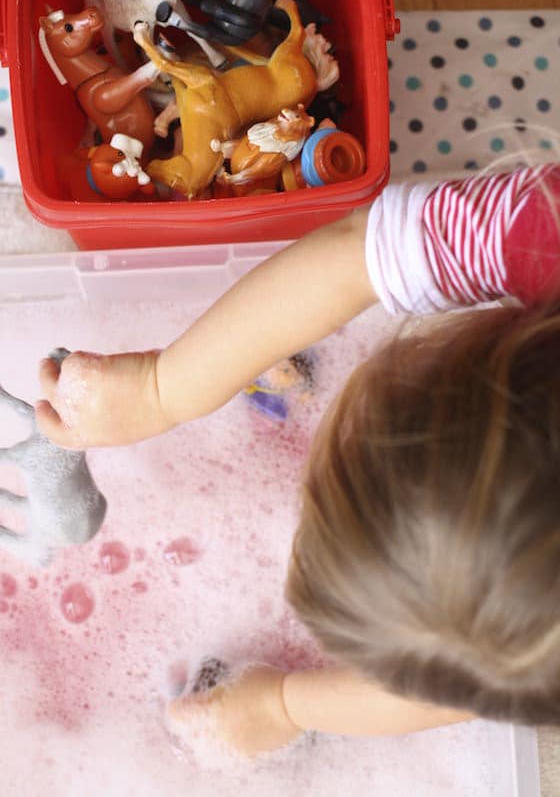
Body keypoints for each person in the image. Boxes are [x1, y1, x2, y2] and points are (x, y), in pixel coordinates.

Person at [36, 163, 560, 755]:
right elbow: (354, 255)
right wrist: (164, 387)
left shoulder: (526, 230)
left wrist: (287, 705)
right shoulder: (534, 228)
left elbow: (489, 670)